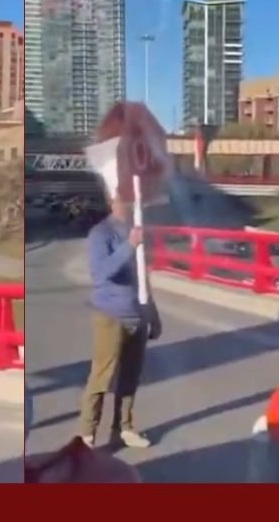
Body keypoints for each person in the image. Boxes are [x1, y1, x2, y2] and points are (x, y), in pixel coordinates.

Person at [78, 191, 159, 449]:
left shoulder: (136, 232)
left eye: (132, 200)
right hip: (110, 315)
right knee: (102, 376)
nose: (129, 205)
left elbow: (142, 278)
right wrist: (130, 246)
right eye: (123, 200)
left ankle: (123, 428)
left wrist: (153, 315)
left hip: (138, 315)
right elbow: (101, 272)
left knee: (130, 376)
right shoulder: (101, 234)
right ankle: (87, 435)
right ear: (112, 202)